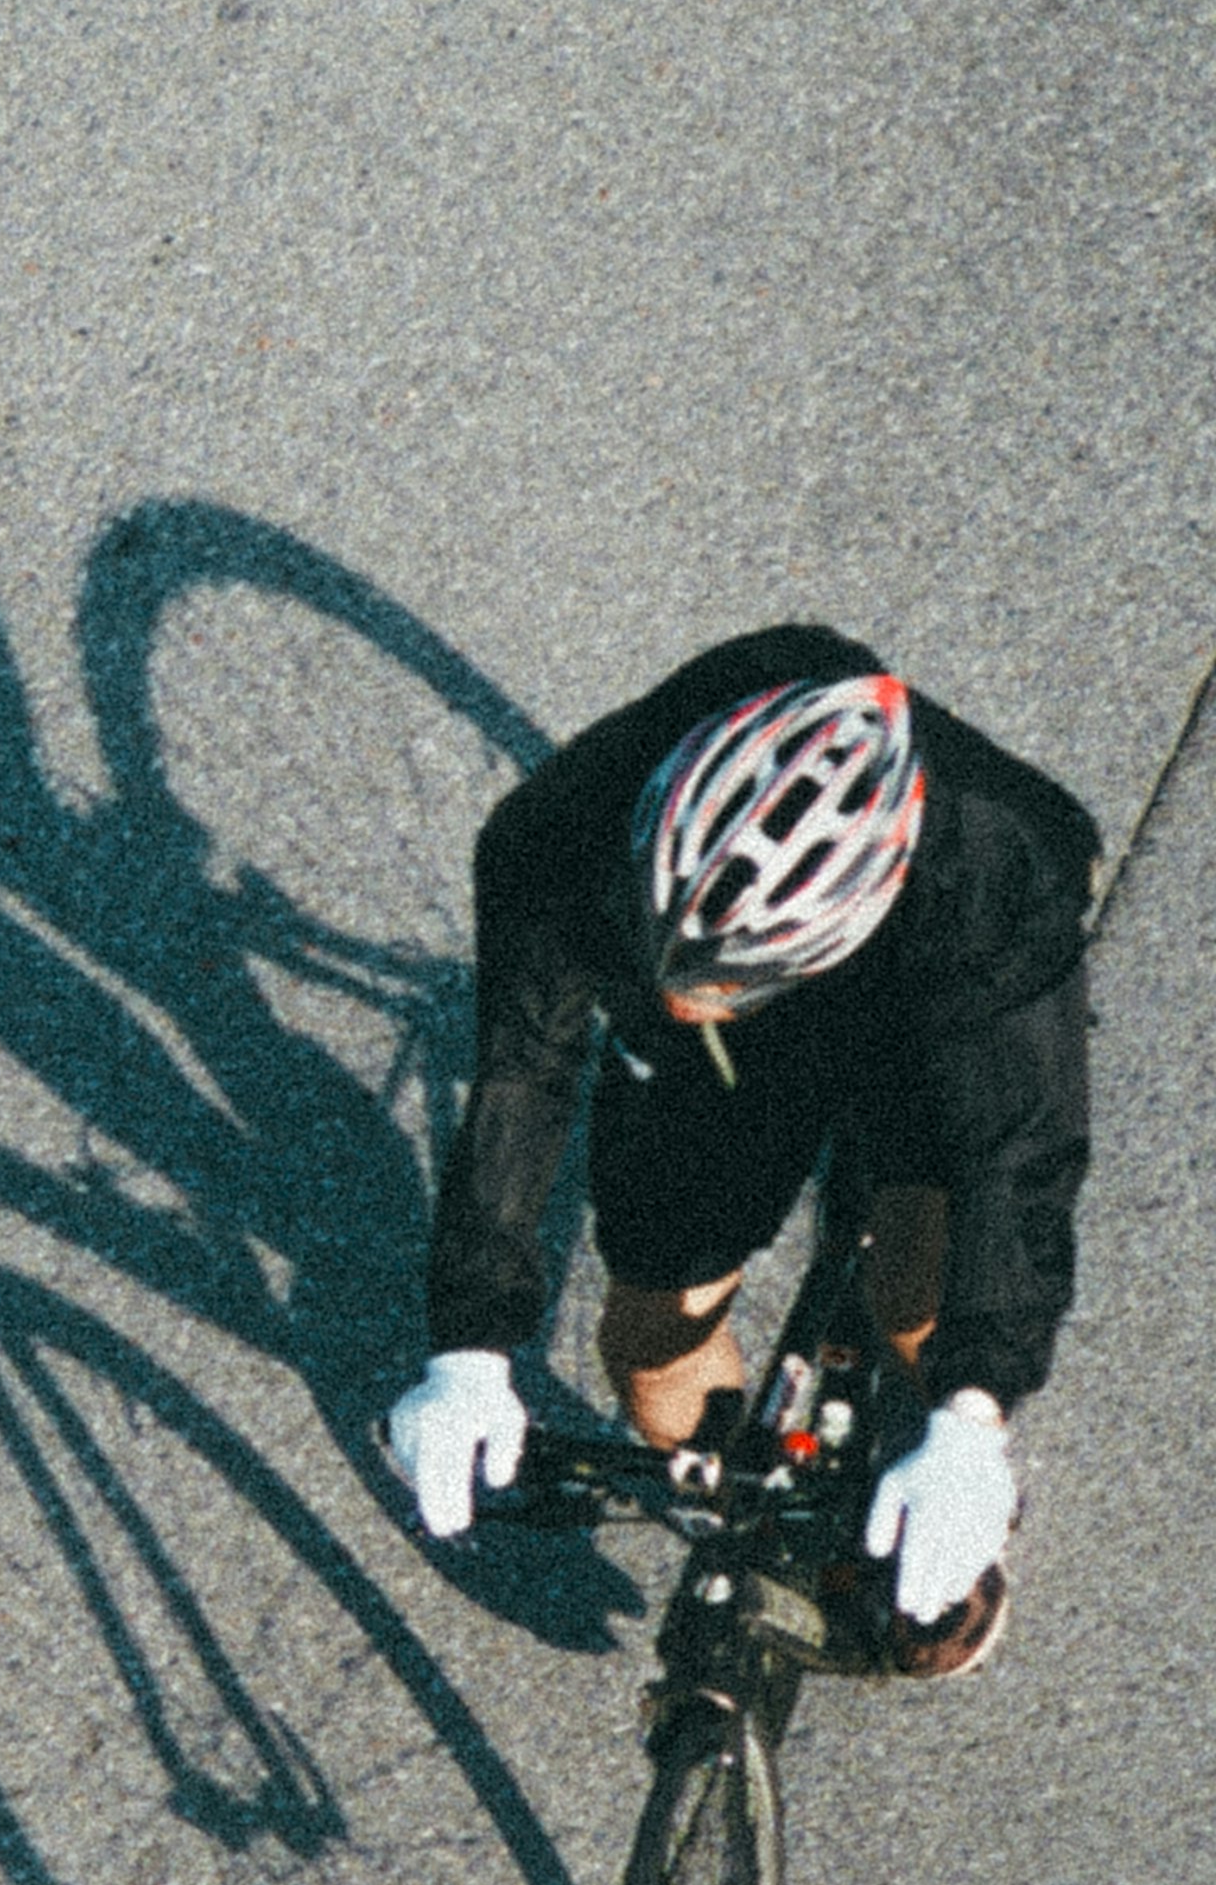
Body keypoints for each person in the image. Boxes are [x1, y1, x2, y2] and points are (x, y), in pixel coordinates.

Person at [383, 627, 1099, 1678]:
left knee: (919, 1301)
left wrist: (972, 1415)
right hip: (727, 1047)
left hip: (926, 993)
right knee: (650, 1353)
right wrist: (470, 1343)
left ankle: (947, 1477)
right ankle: (762, 1512)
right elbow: (523, 1074)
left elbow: (1019, 1163)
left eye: (715, 975)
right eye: (658, 944)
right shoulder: (548, 836)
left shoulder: (1003, 874)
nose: (675, 994)